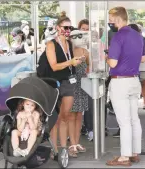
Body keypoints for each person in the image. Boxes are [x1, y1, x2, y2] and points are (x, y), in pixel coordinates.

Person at [105, 7, 145, 166]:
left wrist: (106, 57)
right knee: (134, 119)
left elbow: (113, 62)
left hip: (120, 81)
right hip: (134, 80)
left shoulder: (117, 37)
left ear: (117, 19)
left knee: (124, 121)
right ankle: (135, 152)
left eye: (111, 19)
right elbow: (143, 59)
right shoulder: (138, 36)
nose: (110, 22)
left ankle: (124, 156)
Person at [45, 11, 82, 160]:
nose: (67, 31)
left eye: (69, 28)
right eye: (65, 27)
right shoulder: (51, 44)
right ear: (57, 27)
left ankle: (65, 148)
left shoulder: (70, 43)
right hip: (54, 83)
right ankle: (54, 149)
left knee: (66, 116)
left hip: (68, 81)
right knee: (56, 118)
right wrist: (71, 62)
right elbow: (54, 66)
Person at [67, 29, 89, 157]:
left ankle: (77, 141)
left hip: (82, 85)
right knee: (71, 115)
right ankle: (72, 143)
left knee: (79, 115)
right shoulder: (67, 53)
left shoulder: (85, 52)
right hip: (70, 85)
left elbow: (90, 66)